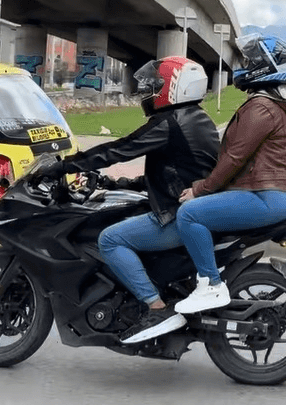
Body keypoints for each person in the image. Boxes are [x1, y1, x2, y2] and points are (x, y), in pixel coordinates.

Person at [41, 56, 219, 344]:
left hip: (178, 215)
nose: (148, 92)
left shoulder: (169, 123)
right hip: (189, 207)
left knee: (110, 239)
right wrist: (119, 183)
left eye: (155, 86)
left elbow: (120, 150)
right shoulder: (197, 119)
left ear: (175, 88)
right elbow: (177, 172)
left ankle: (156, 308)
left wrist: (66, 165)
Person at [172, 34, 286, 314]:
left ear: (263, 68)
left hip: (267, 196)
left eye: (250, 61)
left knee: (190, 214)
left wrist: (200, 189)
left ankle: (210, 285)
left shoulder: (261, 107)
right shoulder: (273, 102)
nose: (244, 65)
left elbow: (234, 158)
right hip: (275, 193)